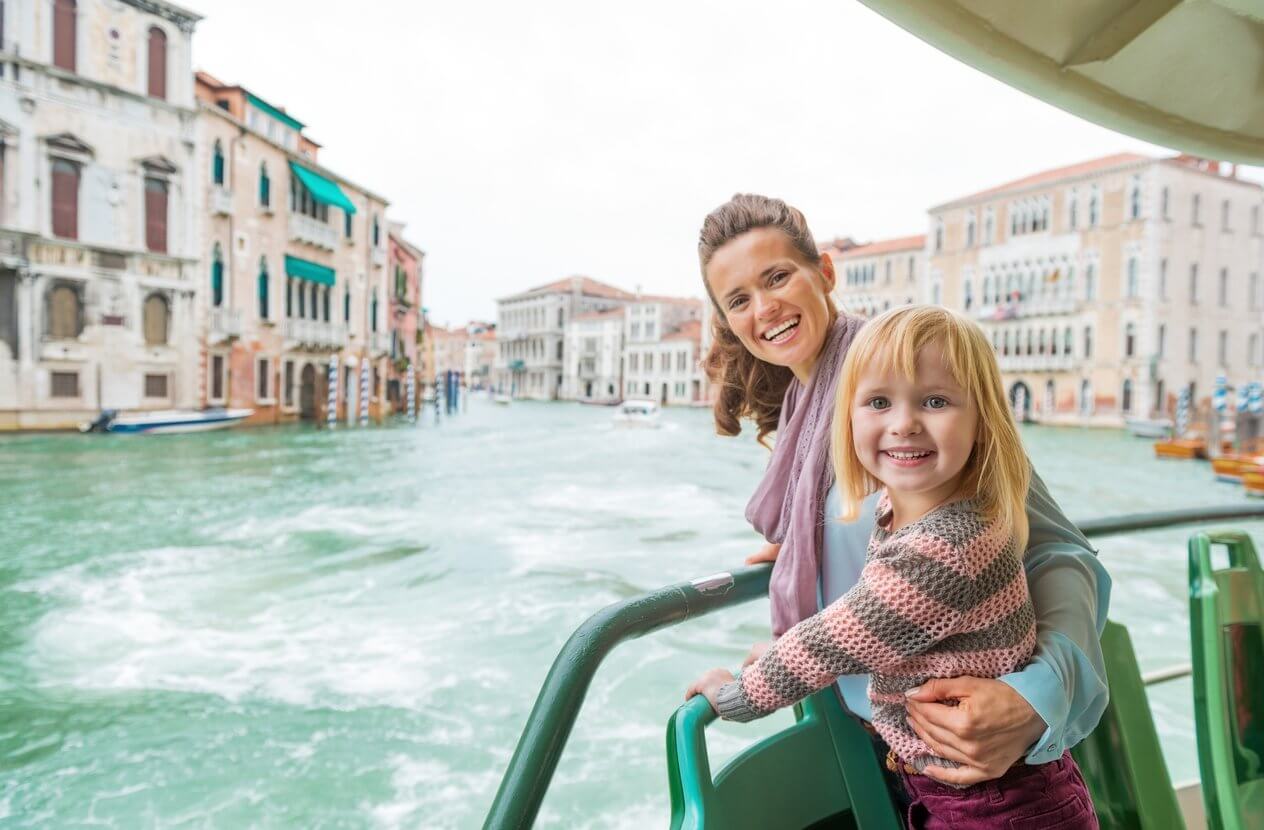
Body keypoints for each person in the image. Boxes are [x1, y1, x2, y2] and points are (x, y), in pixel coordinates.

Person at [685, 194, 1111, 791]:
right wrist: (808, 556)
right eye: (739, 299)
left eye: (777, 276)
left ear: (825, 273)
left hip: (966, 759)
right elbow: (879, 550)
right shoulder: (800, 417)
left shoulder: (904, 383)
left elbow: (1057, 553)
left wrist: (1034, 699)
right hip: (870, 740)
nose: (765, 308)